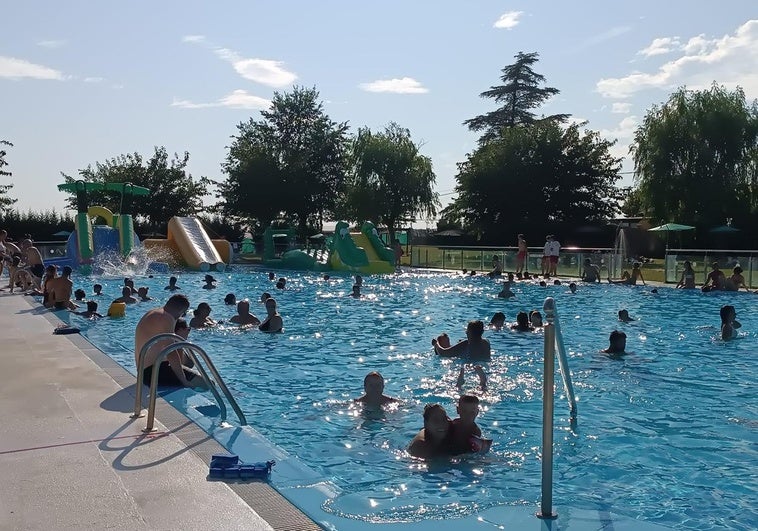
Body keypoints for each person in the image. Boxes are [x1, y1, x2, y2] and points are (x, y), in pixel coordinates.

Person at [135, 294, 204, 388]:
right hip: (154, 372)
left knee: (188, 367)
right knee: (207, 384)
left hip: (144, 371)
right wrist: (184, 380)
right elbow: (171, 353)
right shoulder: (166, 318)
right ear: (181, 311)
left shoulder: (153, 312)